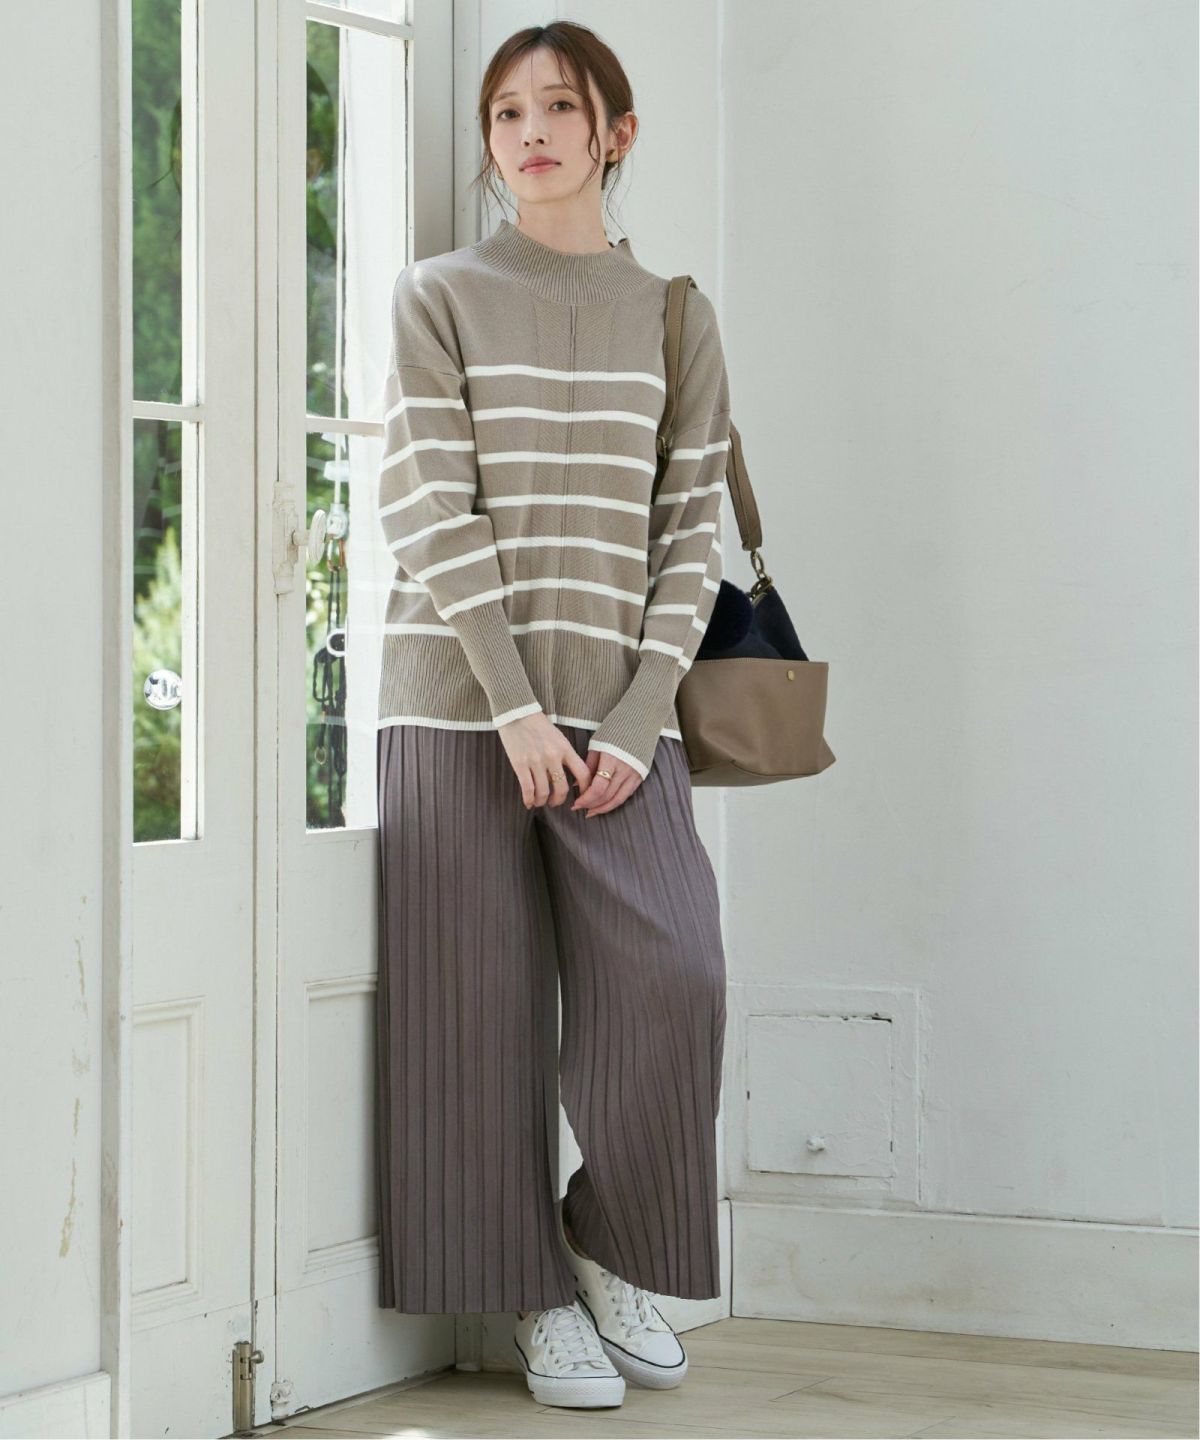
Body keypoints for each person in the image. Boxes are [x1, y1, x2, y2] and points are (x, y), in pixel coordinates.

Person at [374, 19, 731, 1412]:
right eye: (507, 113)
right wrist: (513, 701)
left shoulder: (674, 315)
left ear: (614, 134)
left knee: (677, 973)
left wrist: (639, 719)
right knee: (476, 1011)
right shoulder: (439, 295)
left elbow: (689, 532)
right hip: (459, 707)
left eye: (561, 108)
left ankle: (604, 1239)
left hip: (623, 717)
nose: (529, 132)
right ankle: (526, 1293)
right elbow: (426, 502)